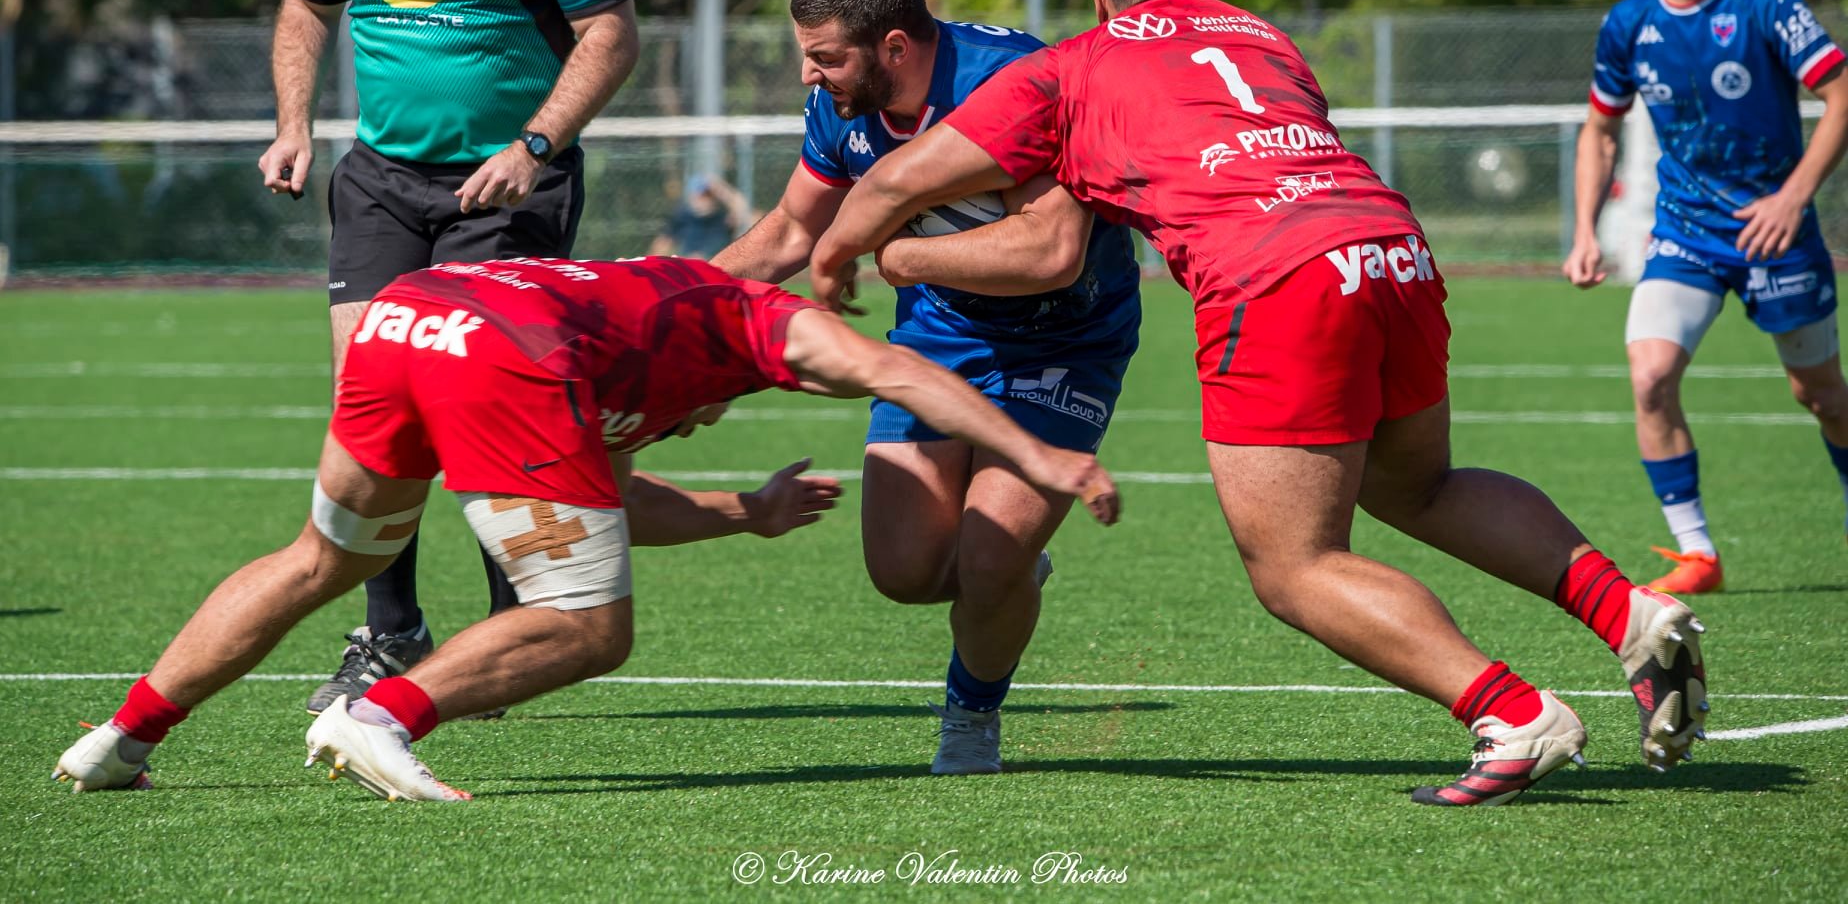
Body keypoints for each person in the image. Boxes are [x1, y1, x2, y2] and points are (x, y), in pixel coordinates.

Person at [810, 0, 1710, 805]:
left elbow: (899, 177)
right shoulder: (1266, 40)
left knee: (1294, 566)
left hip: (1276, 280)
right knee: (1416, 486)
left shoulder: (1069, 65)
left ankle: (1511, 713)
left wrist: (842, 253)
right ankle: (1627, 610)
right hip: (1390, 247)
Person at [53, 255, 1119, 801]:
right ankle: (381, 716)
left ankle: (119, 740)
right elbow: (894, 370)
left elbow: (605, 502)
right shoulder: (764, 321)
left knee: (323, 559)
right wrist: (1039, 457)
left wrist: (744, 514)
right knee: (589, 628)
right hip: (503, 354)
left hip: (408, 318)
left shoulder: (639, 337)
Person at [254, 0, 642, 713]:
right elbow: (306, 3)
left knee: (475, 396)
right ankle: (392, 633)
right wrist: (293, 121)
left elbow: (613, 34)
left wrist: (535, 144)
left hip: (505, 184)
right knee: (370, 402)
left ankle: (510, 627)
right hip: (381, 177)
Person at [712, 0, 1142, 773]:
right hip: (939, 341)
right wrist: (651, 297)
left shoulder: (1016, 79)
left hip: (1064, 339)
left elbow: (1048, 252)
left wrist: (903, 262)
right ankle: (1011, 577)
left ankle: (973, 715)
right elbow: (792, 234)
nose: (808, 74)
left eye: (826, 56)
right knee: (904, 574)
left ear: (896, 48)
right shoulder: (842, 106)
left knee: (989, 558)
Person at [1564, 0, 1848, 595]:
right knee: (1650, 376)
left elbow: (1841, 95)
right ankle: (1698, 553)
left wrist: (1792, 198)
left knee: (1819, 394)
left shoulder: (1765, 2)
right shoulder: (1628, 23)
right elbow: (1599, 129)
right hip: (1686, 233)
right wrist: (1585, 231)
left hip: (1775, 234)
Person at [650, 173, 753, 258]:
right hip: (690, 268)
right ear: (692, 197)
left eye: (709, 196)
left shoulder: (722, 219)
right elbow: (661, 245)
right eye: (702, 196)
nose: (706, 200)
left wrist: (723, 191)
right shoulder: (683, 218)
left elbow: (746, 213)